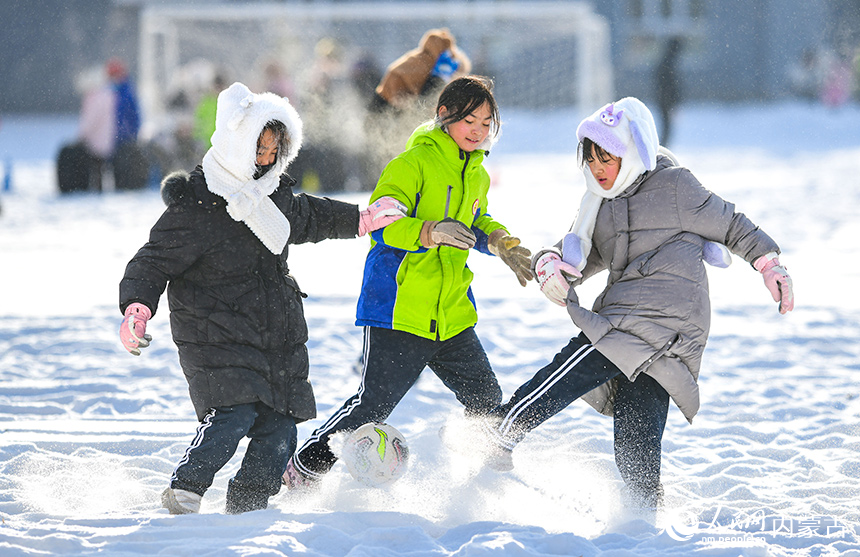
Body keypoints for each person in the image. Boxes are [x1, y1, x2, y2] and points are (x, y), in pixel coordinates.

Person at [471, 97, 794, 512]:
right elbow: (583, 254)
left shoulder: (675, 185)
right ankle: (644, 516)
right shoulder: (601, 202)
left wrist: (769, 264)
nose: (598, 168)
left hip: (657, 319)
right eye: (590, 159)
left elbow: (731, 223)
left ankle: (501, 430)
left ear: (634, 151)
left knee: (572, 367)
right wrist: (549, 261)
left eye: (608, 157)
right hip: (651, 327)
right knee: (636, 431)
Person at [118, 82, 406, 515]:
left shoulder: (274, 195)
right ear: (236, 143)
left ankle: (248, 506)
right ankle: (184, 491)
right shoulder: (195, 207)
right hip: (212, 333)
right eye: (260, 147)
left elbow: (312, 216)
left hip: (273, 332)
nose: (267, 157)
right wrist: (137, 308)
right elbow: (152, 261)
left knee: (279, 429)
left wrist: (362, 219)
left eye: (275, 148)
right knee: (231, 415)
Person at [284, 76, 535, 488]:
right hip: (399, 310)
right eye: (470, 119)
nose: (478, 130)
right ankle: (306, 466)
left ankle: (475, 471)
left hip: (452, 313)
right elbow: (382, 224)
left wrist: (498, 241)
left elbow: (475, 222)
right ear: (444, 116)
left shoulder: (478, 173)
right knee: (373, 404)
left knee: (486, 400)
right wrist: (429, 231)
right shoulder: (411, 163)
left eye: (487, 122)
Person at [362, 28, 472, 189]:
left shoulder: (416, 59)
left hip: (382, 111)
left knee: (392, 160)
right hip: (389, 115)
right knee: (397, 163)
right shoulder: (431, 67)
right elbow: (422, 103)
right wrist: (439, 79)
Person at [654, 37, 683, 147]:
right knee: (666, 126)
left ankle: (664, 146)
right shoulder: (668, 62)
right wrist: (673, 98)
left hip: (664, 98)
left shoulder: (665, 61)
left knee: (666, 125)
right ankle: (663, 147)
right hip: (666, 99)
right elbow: (670, 84)